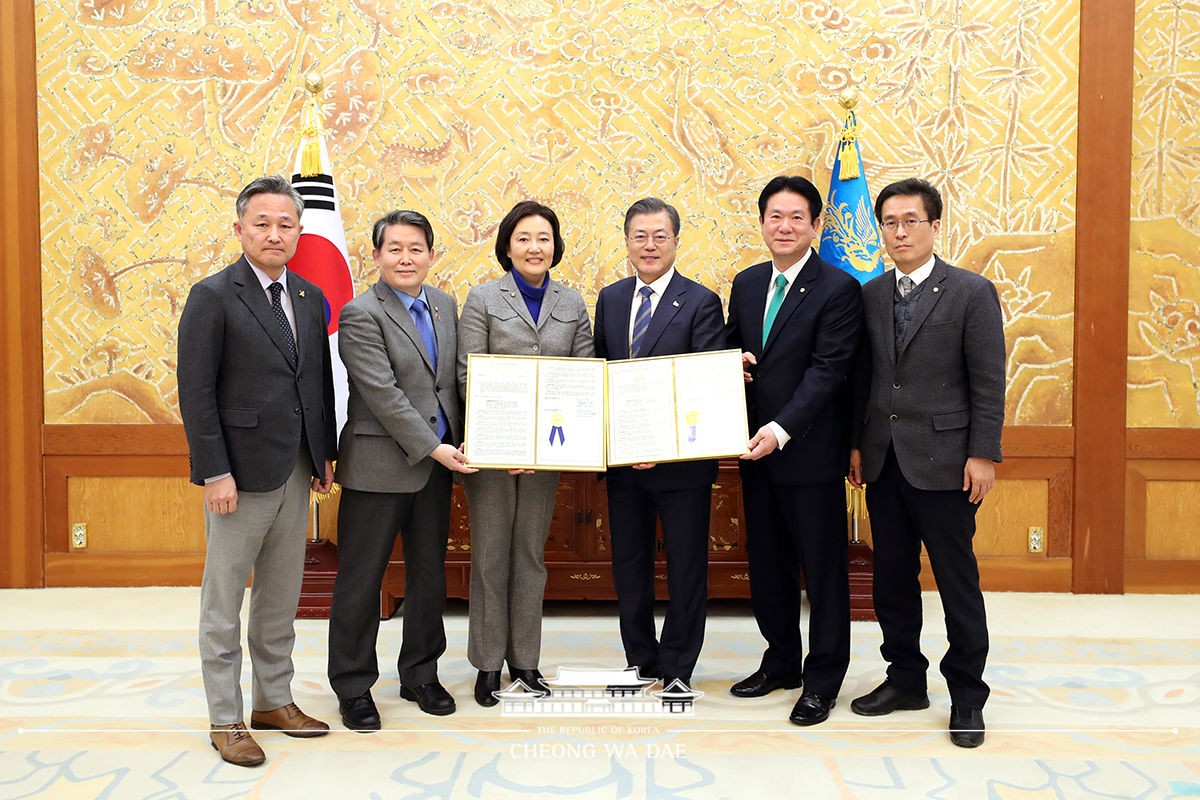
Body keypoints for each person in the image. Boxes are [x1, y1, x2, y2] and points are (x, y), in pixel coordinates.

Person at [178, 175, 337, 767]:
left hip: (296, 468)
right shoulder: (213, 296)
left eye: (286, 223)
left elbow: (315, 383)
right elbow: (196, 393)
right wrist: (213, 470)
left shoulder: (309, 297)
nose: (275, 233)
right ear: (240, 227)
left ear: (300, 229)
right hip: (237, 475)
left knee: (280, 596)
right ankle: (226, 716)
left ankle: (275, 700)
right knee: (223, 601)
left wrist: (321, 456)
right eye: (262, 223)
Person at [848, 178, 1005, 748]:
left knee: (957, 582)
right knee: (892, 579)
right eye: (889, 222)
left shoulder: (969, 291)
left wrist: (983, 453)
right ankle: (906, 680)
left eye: (911, 220)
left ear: (935, 226)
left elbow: (989, 381)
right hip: (885, 463)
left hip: (947, 462)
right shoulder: (869, 295)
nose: (899, 232)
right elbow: (865, 380)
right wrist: (858, 444)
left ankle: (966, 694)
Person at [327, 211, 476, 727]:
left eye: (416, 248)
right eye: (395, 248)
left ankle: (420, 673)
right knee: (361, 582)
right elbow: (384, 396)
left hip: (437, 469)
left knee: (429, 578)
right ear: (376, 256)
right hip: (377, 468)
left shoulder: (444, 304)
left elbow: (453, 383)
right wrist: (436, 448)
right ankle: (352, 687)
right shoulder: (359, 313)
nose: (406, 258)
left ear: (432, 255)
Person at [724, 175, 863, 726]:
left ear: (815, 225)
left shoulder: (838, 287)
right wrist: (729, 361)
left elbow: (828, 372)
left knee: (823, 573)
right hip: (752, 454)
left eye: (796, 217)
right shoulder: (747, 281)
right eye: (774, 216)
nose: (784, 227)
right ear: (762, 222)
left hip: (804, 453)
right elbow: (734, 347)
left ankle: (823, 679)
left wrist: (780, 429)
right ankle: (781, 661)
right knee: (768, 567)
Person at [456, 200, 594, 707]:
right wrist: (511, 437)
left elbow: (581, 376)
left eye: (544, 238)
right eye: (523, 238)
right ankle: (488, 665)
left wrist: (540, 441)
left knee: (530, 558)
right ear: (507, 247)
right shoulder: (482, 298)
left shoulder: (573, 302)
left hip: (549, 451)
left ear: (555, 245)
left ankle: (526, 662)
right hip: (492, 451)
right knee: (491, 557)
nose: (535, 247)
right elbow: (469, 373)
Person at [592, 197, 725, 690]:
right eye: (639, 237)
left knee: (686, 567)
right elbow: (601, 375)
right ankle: (640, 660)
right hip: (624, 463)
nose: (649, 246)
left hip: (680, 465)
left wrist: (662, 442)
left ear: (675, 241)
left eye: (659, 236)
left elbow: (702, 384)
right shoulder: (610, 298)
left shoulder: (701, 301)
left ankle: (677, 668)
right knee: (629, 566)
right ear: (626, 242)